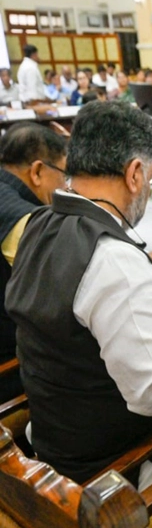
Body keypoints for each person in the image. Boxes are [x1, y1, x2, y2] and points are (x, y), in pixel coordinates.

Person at [5, 101, 152, 484]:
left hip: (52, 445)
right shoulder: (114, 260)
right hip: (109, 474)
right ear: (134, 173)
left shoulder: (37, 223)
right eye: (149, 176)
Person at [1, 124, 67, 401]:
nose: (65, 186)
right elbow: (67, 283)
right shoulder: (24, 220)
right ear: (38, 171)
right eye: (63, 174)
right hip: (12, 373)